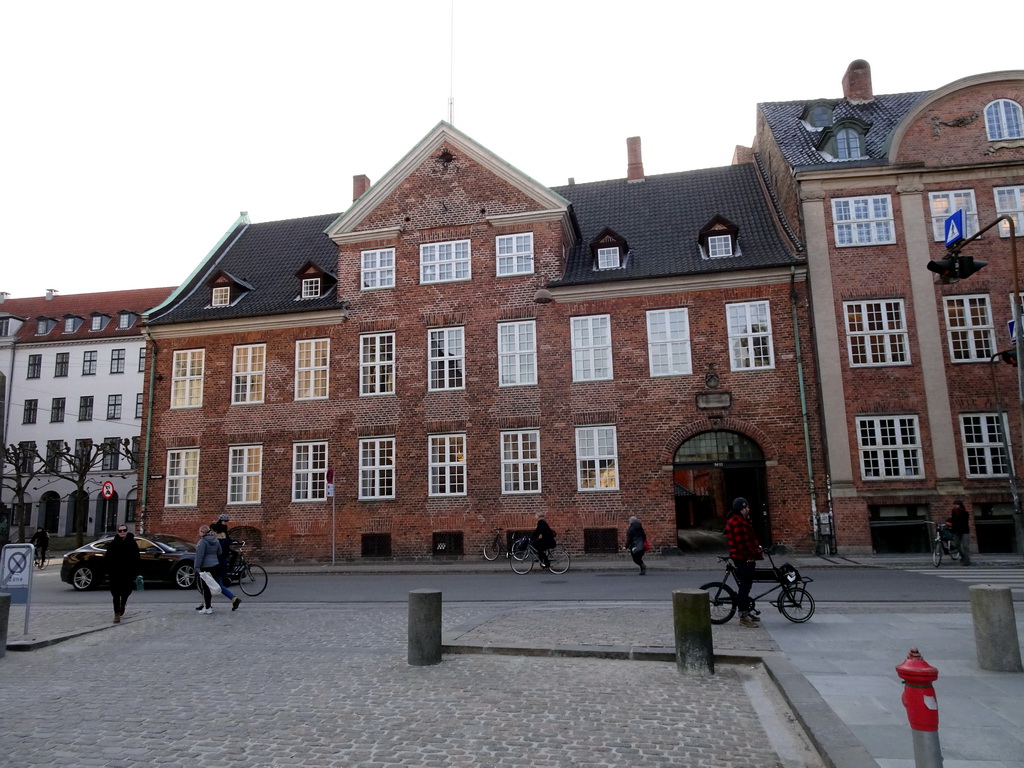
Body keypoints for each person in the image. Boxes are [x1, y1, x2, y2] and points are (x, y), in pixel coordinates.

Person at [725, 497, 763, 628]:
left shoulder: (740, 521)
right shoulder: (738, 522)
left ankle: (746, 610)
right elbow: (742, 543)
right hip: (743, 558)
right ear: (741, 508)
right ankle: (743, 616)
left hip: (743, 557)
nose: (748, 509)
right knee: (744, 587)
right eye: (746, 507)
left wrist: (757, 549)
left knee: (746, 586)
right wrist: (750, 555)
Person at [195, 524, 240, 614]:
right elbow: (219, 552)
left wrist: (196, 567)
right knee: (217, 584)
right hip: (216, 565)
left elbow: (199, 556)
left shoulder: (202, 542)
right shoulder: (215, 540)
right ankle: (208, 604)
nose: (199, 533)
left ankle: (208, 607)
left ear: (203, 532)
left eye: (199, 532)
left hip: (206, 566)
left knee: (206, 587)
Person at [103, 525, 140, 623]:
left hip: (128, 573)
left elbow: (137, 558)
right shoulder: (113, 544)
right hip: (115, 573)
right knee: (115, 594)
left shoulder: (132, 543)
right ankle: (116, 614)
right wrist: (109, 571)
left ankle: (122, 604)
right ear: (117, 532)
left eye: (124, 530)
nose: (122, 532)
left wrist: (135, 571)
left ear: (127, 531)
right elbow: (107, 559)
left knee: (126, 592)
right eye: (120, 530)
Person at [948, 500, 972, 566]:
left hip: (964, 531)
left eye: (957, 505)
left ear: (960, 505)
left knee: (965, 546)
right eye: (954, 505)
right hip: (956, 531)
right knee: (957, 544)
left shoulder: (964, 512)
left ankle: (967, 560)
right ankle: (963, 556)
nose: (955, 506)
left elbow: (964, 521)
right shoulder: (953, 512)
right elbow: (953, 520)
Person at [210, 513, 231, 582]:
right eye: (224, 521)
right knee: (222, 561)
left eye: (226, 522)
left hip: (223, 547)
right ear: (221, 521)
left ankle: (226, 572)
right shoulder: (218, 528)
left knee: (226, 559)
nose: (225, 523)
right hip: (220, 549)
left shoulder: (222, 528)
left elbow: (227, 537)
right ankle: (223, 576)